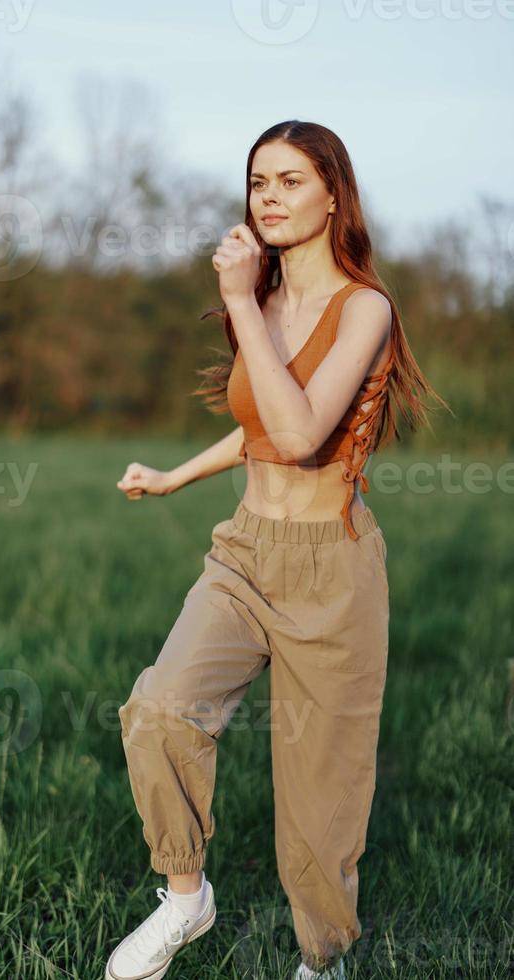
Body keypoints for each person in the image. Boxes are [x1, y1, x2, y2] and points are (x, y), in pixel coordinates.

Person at [107, 120, 452, 980]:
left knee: (318, 809)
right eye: (259, 181)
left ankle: (321, 960)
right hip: (245, 554)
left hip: (332, 572)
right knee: (159, 709)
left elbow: (301, 432)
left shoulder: (365, 308)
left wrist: (233, 300)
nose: (269, 196)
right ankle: (187, 900)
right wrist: (176, 475)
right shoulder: (260, 304)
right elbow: (259, 425)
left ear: (334, 193)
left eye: (291, 181)